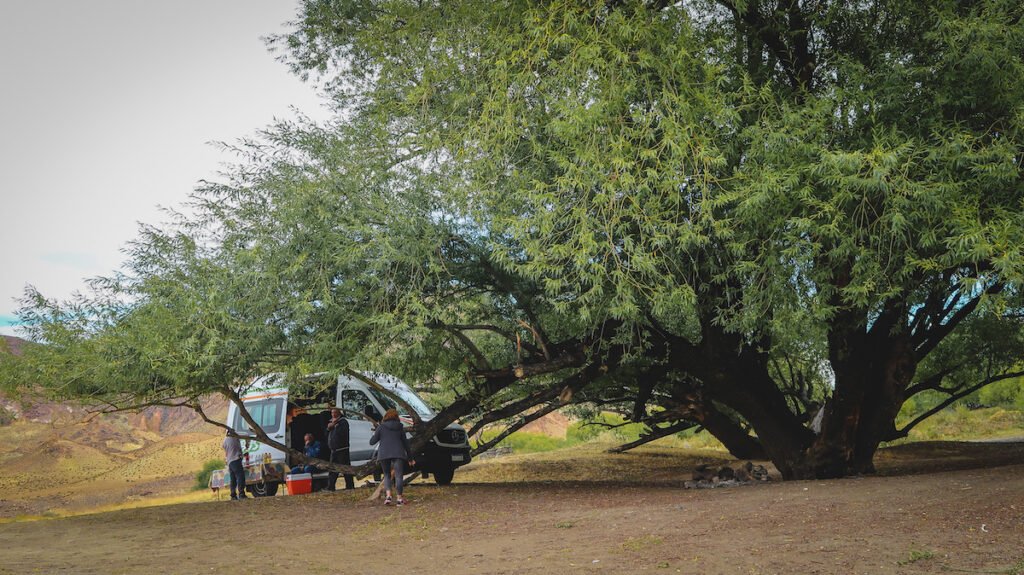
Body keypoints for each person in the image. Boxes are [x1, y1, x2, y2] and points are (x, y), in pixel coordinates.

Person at [369, 408, 415, 506]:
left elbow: (372, 442)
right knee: (399, 476)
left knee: (386, 475)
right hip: (398, 453)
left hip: (384, 453)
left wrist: (375, 432)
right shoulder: (400, 427)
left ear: (386, 416)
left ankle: (388, 496)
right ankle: (399, 498)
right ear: (396, 417)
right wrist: (410, 458)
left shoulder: (381, 427)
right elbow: (406, 444)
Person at [326, 407, 355, 491]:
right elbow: (327, 432)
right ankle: (330, 487)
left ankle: (350, 486)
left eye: (335, 412)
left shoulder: (343, 422)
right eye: (332, 413)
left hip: (342, 449)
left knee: (345, 468)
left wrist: (335, 425)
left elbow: (342, 434)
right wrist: (329, 427)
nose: (333, 414)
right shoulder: (331, 422)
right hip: (334, 450)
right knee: (332, 469)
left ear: (339, 413)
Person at [222, 429, 248, 500]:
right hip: (236, 460)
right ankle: (241, 494)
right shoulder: (235, 437)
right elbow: (246, 435)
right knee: (240, 476)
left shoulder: (224, 441)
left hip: (229, 461)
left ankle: (233, 495)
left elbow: (227, 450)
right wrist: (247, 444)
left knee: (233, 478)